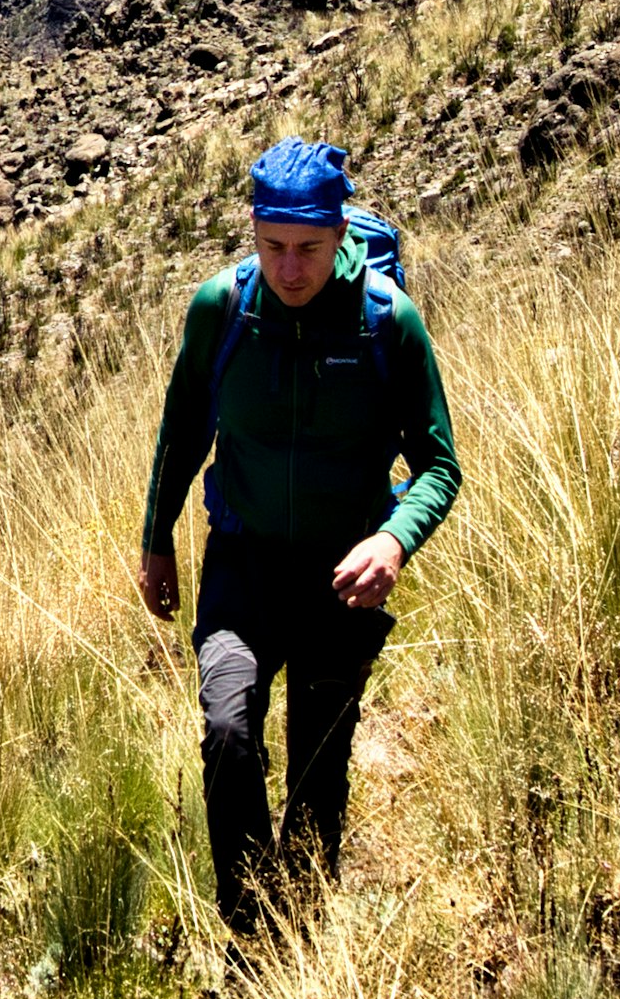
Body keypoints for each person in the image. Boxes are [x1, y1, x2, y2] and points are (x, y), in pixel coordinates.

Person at [133, 136, 460, 940]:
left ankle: (302, 938)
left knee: (318, 774)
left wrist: (393, 542)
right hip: (242, 566)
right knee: (228, 730)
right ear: (253, 231)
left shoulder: (388, 321)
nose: (289, 269)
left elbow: (440, 466)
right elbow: (181, 433)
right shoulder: (223, 308)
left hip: (339, 579)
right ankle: (250, 935)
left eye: (309, 248)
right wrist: (156, 539)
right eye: (272, 246)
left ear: (341, 230)